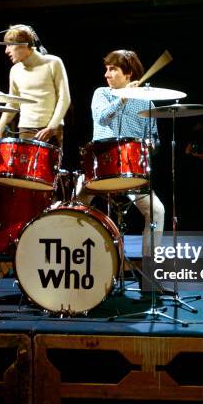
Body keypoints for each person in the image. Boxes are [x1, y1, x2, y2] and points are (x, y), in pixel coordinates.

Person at [77, 49, 165, 261]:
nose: (106, 74)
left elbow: (154, 139)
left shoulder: (147, 103)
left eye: (113, 69)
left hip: (131, 172)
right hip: (100, 169)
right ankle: (75, 259)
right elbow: (101, 118)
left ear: (129, 74)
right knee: (74, 210)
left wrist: (151, 145)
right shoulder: (102, 94)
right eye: (106, 69)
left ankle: (149, 271)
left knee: (157, 211)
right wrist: (122, 99)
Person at [0, 24, 71, 147]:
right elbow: (12, 103)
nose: (6, 51)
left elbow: (64, 98)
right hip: (25, 130)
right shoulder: (15, 70)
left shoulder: (53, 63)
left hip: (51, 130)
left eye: (9, 45)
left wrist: (52, 127)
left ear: (22, 45)